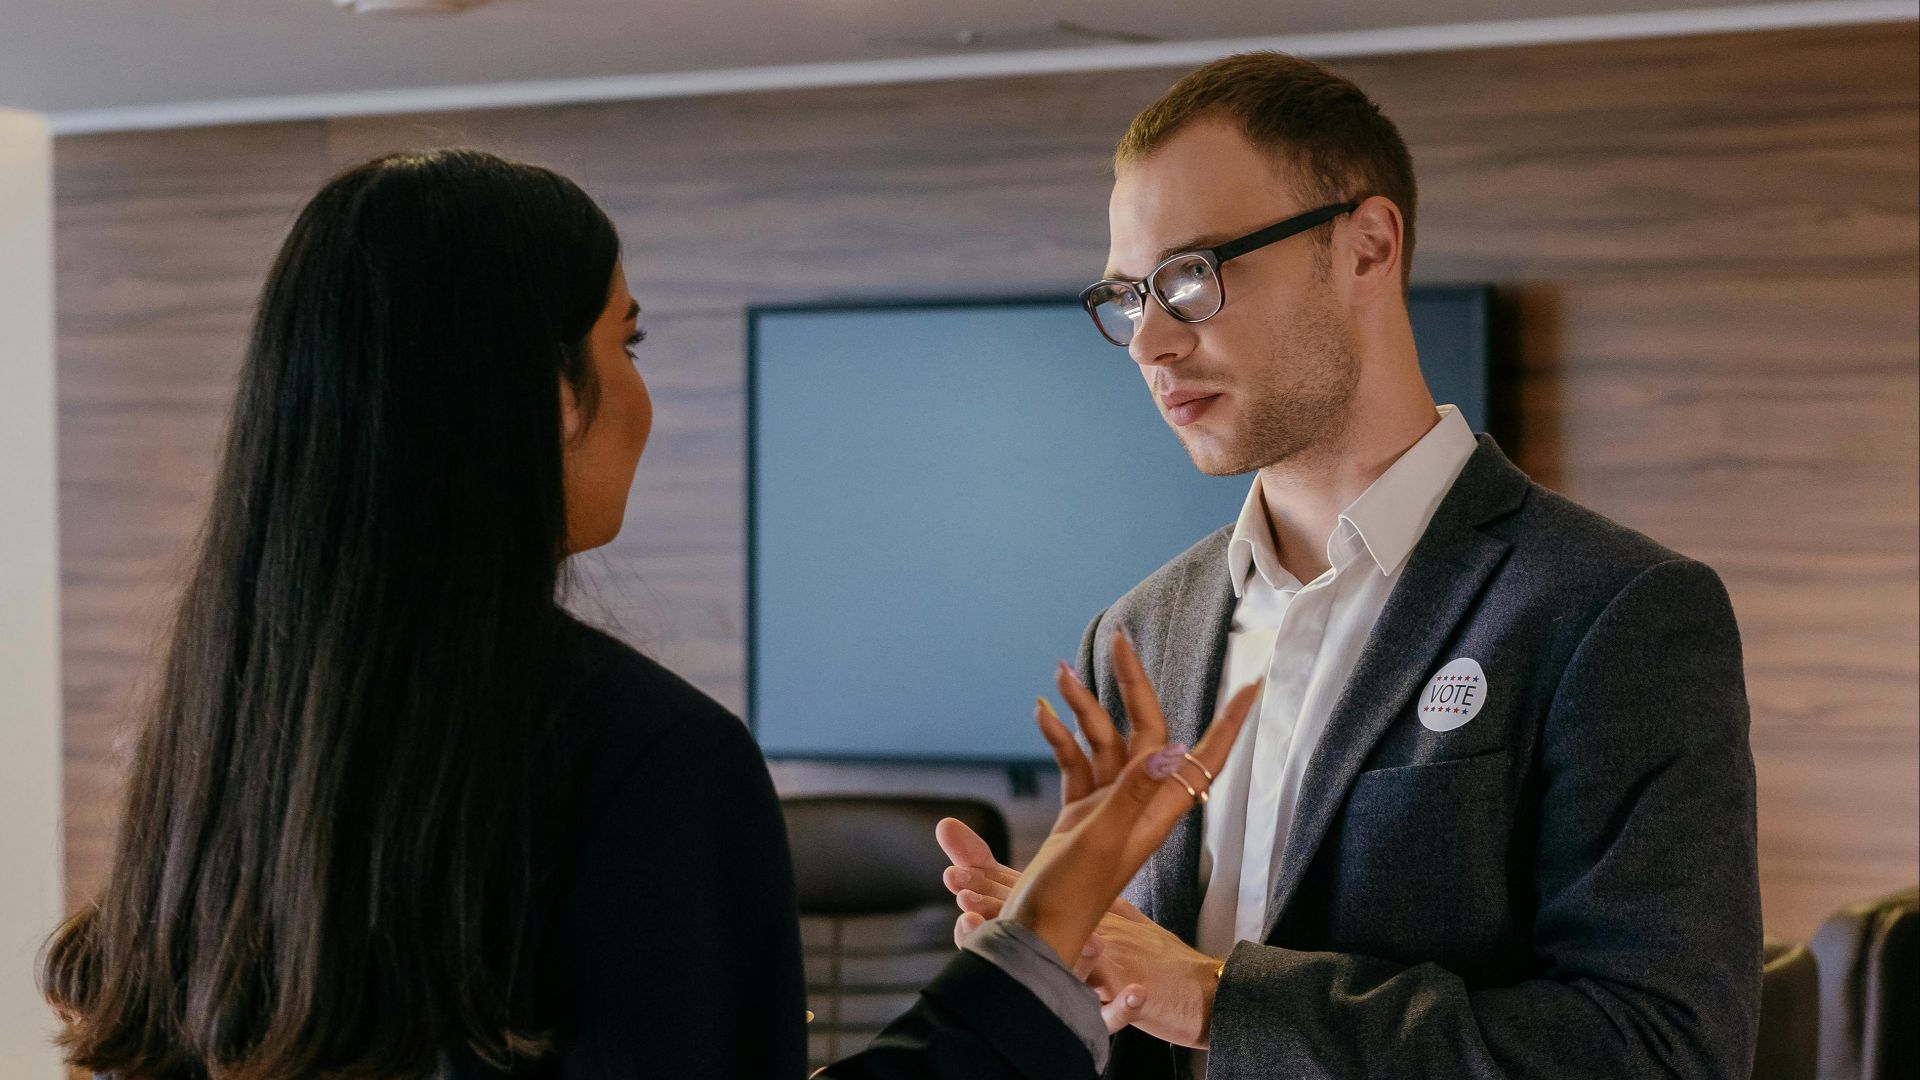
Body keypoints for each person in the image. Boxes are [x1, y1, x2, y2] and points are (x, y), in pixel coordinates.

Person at [34, 147, 1247, 1080]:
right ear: (547, 395)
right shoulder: (644, 759)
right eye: (629, 340)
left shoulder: (208, 739)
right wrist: (1037, 943)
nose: (642, 395)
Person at [938, 51, 1763, 1079]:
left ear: (1366, 248)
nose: (1148, 339)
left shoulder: (1613, 612)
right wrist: (1042, 986)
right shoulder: (1138, 635)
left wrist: (1216, 997)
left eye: (1192, 277)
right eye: (1127, 294)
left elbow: (1661, 1048)